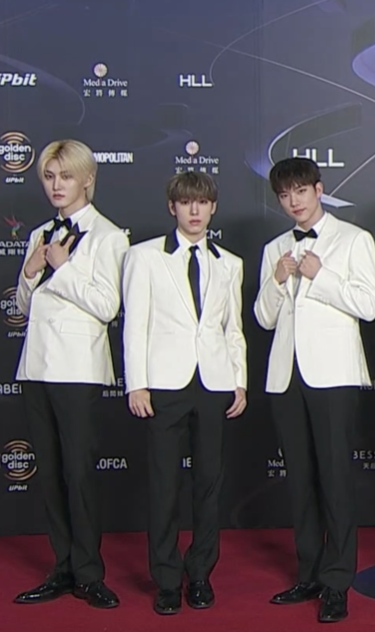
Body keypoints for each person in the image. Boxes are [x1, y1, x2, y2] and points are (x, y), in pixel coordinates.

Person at [254, 157, 375, 624]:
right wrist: (278, 280)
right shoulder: (274, 248)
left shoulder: (354, 239)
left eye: (301, 191)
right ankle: (307, 572)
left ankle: (337, 581)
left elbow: (369, 305)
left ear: (319, 190)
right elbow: (264, 317)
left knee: (335, 479)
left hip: (333, 375)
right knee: (301, 480)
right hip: (286, 376)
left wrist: (319, 275)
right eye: (285, 195)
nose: (294, 201)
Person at [122, 171, 248, 615]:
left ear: (213, 208)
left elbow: (233, 328)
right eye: (186, 203)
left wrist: (239, 379)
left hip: (214, 384)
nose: (194, 211)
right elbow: (134, 324)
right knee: (164, 485)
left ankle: (200, 575)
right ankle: (166, 579)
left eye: (202, 203)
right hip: (163, 384)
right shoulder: (144, 257)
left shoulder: (230, 263)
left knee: (209, 484)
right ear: (172, 207)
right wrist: (136, 382)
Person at [12, 139, 128, 609]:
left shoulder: (109, 236)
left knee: (78, 474)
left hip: (79, 369)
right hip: (35, 367)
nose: (56, 185)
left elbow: (107, 306)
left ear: (87, 179)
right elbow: (24, 307)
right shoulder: (39, 234)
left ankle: (89, 573)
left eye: (65, 176)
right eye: (49, 177)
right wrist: (30, 272)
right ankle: (61, 567)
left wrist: (62, 269)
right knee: (50, 474)